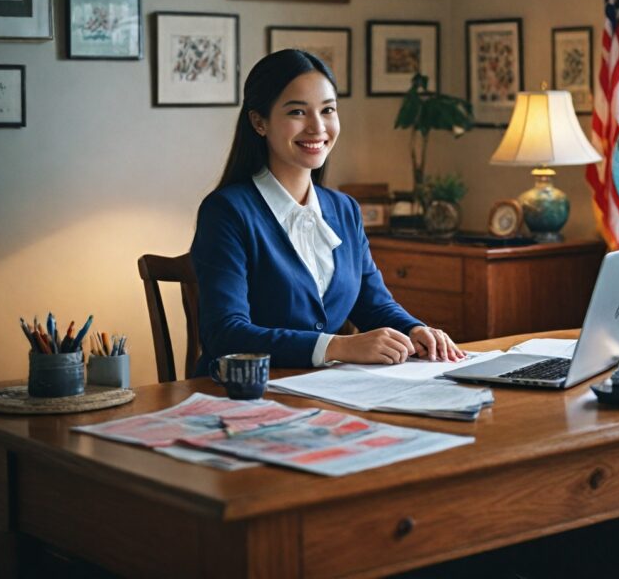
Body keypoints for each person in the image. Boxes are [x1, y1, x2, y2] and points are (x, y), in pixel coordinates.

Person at [191, 49, 464, 375]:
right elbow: (225, 335)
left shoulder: (344, 209)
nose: (317, 127)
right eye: (297, 112)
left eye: (328, 110)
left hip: (324, 394)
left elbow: (372, 303)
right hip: (242, 398)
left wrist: (415, 330)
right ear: (259, 122)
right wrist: (339, 346)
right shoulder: (226, 212)